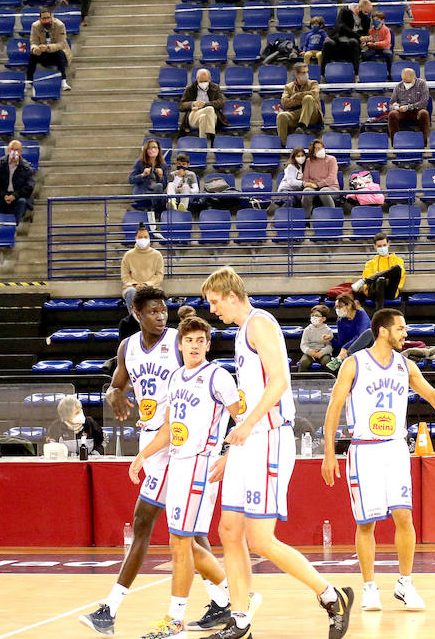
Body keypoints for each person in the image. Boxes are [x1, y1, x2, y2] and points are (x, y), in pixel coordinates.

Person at [200, 267, 355, 639]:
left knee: (261, 539)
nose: (212, 310)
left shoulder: (259, 323)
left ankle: (331, 596)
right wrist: (230, 448)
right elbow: (249, 394)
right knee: (228, 531)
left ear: (231, 295)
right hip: (248, 442)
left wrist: (249, 425)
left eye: (214, 302)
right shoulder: (241, 332)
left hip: (269, 437)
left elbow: (280, 381)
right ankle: (240, 619)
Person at [82, 287, 237, 637]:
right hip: (152, 436)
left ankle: (112, 609)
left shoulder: (180, 343)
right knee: (190, 533)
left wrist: (222, 446)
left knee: (151, 523)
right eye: (153, 311)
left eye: (163, 310)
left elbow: (206, 384)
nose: (160, 315)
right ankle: (226, 600)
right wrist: (113, 394)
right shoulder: (128, 347)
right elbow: (116, 385)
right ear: (137, 313)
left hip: (179, 446)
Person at [321, 309, 435, 612]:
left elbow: (433, 396)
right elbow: (334, 408)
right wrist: (329, 452)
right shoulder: (353, 364)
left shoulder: (405, 365)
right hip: (363, 448)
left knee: (403, 516)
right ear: (383, 331)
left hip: (395, 447)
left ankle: (405, 584)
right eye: (400, 329)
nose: (405, 334)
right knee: (366, 523)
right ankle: (370, 586)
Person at [126, 315, 239, 639]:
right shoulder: (175, 378)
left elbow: (243, 421)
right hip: (177, 462)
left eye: (200, 340)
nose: (194, 345)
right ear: (181, 344)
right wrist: (142, 455)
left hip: (200, 465)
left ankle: (175, 621)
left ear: (208, 344)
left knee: (180, 543)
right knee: (183, 544)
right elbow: (168, 428)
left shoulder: (218, 377)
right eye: (189, 340)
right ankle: (236, 598)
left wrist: (228, 456)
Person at [350, 233, 405, 307]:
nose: (382, 248)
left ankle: (363, 281)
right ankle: (380, 315)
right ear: (375, 247)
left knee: (397, 268)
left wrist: (378, 275)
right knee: (380, 280)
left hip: (390, 291)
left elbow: (400, 275)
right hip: (374, 291)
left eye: (384, 245)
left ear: (388, 244)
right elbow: (367, 280)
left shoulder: (397, 260)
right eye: (379, 246)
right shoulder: (370, 263)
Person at [0, 139, 35, 222]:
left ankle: (14, 226)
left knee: (22, 202)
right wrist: (4, 195)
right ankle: (0, 226)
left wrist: (14, 196)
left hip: (18, 197)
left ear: (20, 152)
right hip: (2, 196)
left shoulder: (27, 168)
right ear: (8, 151)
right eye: (12, 149)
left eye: (16, 150)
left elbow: (29, 187)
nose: (14, 152)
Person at [277, 63, 322, 146]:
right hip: (296, 114)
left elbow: (314, 95)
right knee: (281, 115)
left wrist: (297, 96)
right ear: (297, 75)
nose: (306, 74)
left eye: (307, 72)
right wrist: (301, 101)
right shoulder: (288, 87)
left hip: (312, 115)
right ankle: (284, 146)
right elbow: (285, 103)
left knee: (308, 98)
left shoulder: (313, 83)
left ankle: (302, 126)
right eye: (303, 72)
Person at [27, 6, 71, 90]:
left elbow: (61, 44)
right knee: (32, 55)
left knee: (60, 53)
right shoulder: (35, 26)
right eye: (44, 18)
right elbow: (33, 42)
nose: (46, 20)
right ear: (40, 19)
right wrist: (35, 49)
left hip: (55, 51)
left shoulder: (60, 25)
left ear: (51, 18)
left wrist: (48, 47)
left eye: (48, 18)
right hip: (42, 52)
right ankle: (29, 81)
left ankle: (63, 81)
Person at [324, 0, 371, 77]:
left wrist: (364, 41)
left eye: (368, 13)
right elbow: (341, 27)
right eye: (365, 12)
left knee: (354, 42)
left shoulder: (366, 19)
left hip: (353, 44)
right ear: (359, 7)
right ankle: (323, 75)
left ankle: (356, 75)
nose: (366, 14)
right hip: (339, 41)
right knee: (327, 44)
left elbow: (364, 33)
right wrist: (359, 37)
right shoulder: (345, 12)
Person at [122, 224, 163, 312]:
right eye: (140, 237)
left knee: (154, 294)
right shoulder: (128, 255)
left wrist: (146, 284)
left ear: (149, 238)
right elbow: (125, 276)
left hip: (152, 287)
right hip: (132, 287)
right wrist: (135, 285)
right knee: (130, 292)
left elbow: (159, 275)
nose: (143, 239)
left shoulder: (157, 255)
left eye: (145, 237)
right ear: (136, 238)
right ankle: (135, 320)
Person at [329, 292, 374, 370]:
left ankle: (342, 358)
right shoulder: (340, 321)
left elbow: (361, 335)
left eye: (340, 306)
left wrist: (345, 349)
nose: (337, 309)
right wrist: (331, 340)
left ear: (349, 305)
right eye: (336, 307)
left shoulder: (361, 314)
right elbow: (341, 342)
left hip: (368, 346)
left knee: (369, 332)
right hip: (351, 351)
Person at [179, 68, 226, 143]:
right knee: (209, 109)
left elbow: (221, 102)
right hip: (194, 115)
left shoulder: (215, 88)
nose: (203, 83)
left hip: (211, 117)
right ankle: (211, 136)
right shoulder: (190, 89)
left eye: (205, 81)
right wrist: (192, 104)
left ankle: (202, 143)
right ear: (197, 79)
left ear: (209, 79)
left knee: (204, 117)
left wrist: (205, 104)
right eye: (201, 81)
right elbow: (181, 106)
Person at [129, 138, 167, 226]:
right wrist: (142, 175)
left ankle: (154, 213)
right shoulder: (139, 163)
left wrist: (161, 176)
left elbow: (164, 185)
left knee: (159, 187)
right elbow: (131, 180)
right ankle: (155, 215)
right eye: (151, 147)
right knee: (159, 191)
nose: (153, 149)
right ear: (146, 150)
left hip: (156, 193)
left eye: (155, 147)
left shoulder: (163, 165)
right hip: (143, 193)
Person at [386, 67, 429, 143]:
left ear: (414, 77)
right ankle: (395, 143)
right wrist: (394, 106)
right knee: (392, 114)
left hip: (417, 110)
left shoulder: (422, 84)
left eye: (408, 82)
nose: (406, 84)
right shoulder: (398, 86)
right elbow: (391, 102)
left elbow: (424, 102)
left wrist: (408, 107)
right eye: (404, 81)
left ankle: (423, 143)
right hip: (401, 111)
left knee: (424, 113)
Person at [302, 138, 341, 209]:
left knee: (324, 192)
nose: (320, 150)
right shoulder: (309, 161)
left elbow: (331, 178)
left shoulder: (332, 159)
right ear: (313, 151)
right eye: (317, 148)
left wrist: (317, 185)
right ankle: (306, 217)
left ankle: (332, 215)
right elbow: (306, 178)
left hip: (331, 187)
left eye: (321, 147)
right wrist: (310, 184)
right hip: (313, 187)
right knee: (306, 191)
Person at [297, 304, 336, 371]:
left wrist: (322, 352)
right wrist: (309, 351)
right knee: (304, 362)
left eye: (317, 316)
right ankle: (301, 379)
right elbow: (303, 344)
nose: (314, 317)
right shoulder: (307, 330)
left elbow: (329, 346)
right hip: (310, 353)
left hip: (323, 353)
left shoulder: (328, 330)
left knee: (327, 363)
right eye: (312, 315)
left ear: (323, 319)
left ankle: (329, 380)